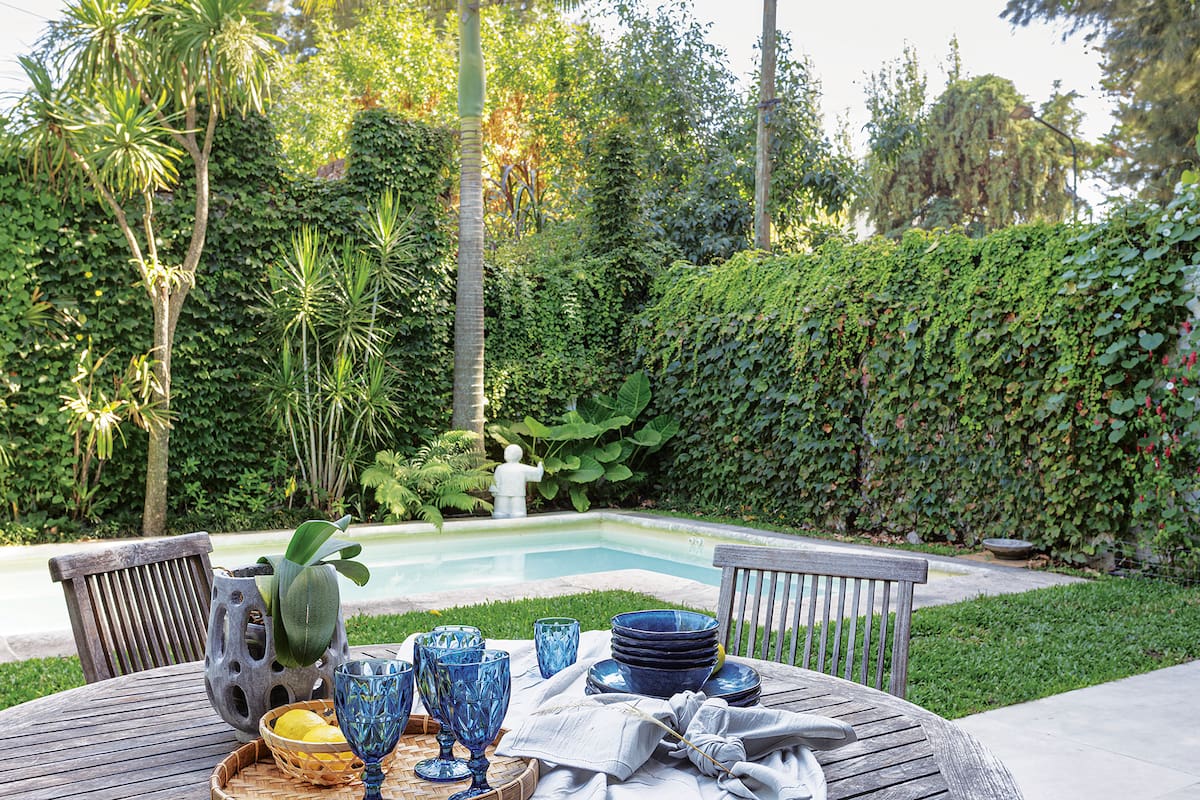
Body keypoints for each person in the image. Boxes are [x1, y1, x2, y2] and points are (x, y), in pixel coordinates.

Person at [490, 444, 544, 518]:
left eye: (508, 452)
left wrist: (494, 489)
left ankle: (508, 513)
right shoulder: (501, 468)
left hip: (513, 493)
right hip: (506, 493)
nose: (506, 453)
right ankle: (503, 512)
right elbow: (495, 480)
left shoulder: (501, 468)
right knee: (504, 508)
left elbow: (536, 473)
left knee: (516, 509)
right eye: (506, 451)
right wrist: (494, 489)